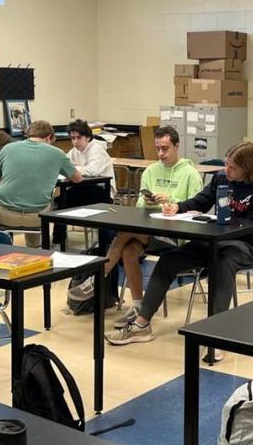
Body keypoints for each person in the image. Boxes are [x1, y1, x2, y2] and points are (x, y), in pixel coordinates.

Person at [105, 141, 253, 358]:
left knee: (223, 265)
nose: (226, 170)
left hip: (242, 245)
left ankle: (216, 336)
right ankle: (142, 324)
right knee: (169, 261)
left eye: (233, 168)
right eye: (226, 164)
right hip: (213, 240)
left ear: (247, 169)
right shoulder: (220, 178)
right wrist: (179, 207)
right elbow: (201, 201)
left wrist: (225, 225)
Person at [67, 126, 203, 326]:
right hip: (149, 231)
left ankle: (97, 279)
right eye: (157, 149)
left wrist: (172, 201)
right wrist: (148, 202)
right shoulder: (150, 171)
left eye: (165, 148)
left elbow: (195, 209)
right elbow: (140, 203)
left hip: (176, 236)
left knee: (125, 232)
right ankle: (138, 305)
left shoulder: (190, 174)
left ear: (176, 146)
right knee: (129, 250)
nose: (160, 154)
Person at [0, 120, 82, 247]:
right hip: (37, 217)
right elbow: (77, 179)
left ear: (28, 135)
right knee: (39, 204)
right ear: (49, 137)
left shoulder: (8, 148)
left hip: (2, 214)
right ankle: (34, 248)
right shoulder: (57, 153)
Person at [53, 119, 116, 246]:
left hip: (102, 191)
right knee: (60, 206)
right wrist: (75, 170)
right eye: (73, 138)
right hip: (82, 189)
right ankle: (58, 242)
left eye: (79, 137)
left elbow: (92, 171)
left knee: (63, 202)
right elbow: (64, 167)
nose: (75, 141)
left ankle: (106, 245)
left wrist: (75, 169)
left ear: (87, 137)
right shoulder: (74, 151)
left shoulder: (96, 149)